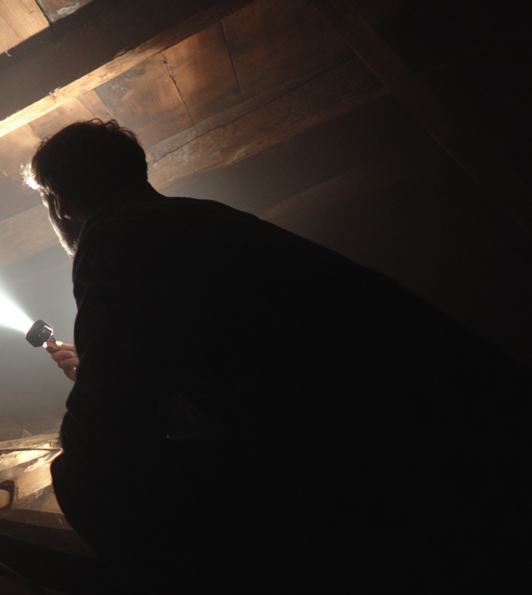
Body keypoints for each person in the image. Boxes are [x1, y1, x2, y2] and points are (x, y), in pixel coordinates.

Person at [27, 119, 531, 593]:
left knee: (84, 476)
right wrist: (98, 374)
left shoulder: (113, 236)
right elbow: (250, 376)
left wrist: (93, 397)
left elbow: (108, 421)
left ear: (60, 201)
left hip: (400, 455)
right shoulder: (202, 217)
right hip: (469, 419)